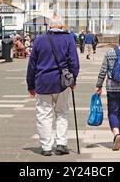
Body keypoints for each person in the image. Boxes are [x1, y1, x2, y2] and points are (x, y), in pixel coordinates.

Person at [26, 14, 80, 156]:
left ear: (49, 26)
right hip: (61, 83)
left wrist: (30, 85)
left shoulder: (39, 40)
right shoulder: (68, 39)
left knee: (44, 114)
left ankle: (46, 146)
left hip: (42, 82)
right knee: (62, 112)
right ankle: (61, 144)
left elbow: (32, 65)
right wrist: (73, 79)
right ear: (62, 26)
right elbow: (74, 62)